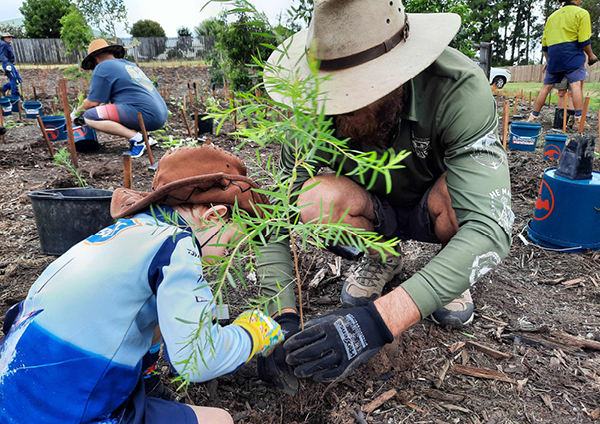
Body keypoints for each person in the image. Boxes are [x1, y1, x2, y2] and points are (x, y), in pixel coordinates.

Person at [255, 0, 513, 388]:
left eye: (359, 93)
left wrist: (377, 322)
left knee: (466, 199)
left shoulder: (456, 89)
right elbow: (272, 219)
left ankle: (451, 272)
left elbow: (492, 225)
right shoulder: (310, 112)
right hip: (372, 211)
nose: (344, 112)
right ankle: (383, 256)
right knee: (313, 197)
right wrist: (281, 321)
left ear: (401, 72)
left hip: (436, 207)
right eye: (334, 95)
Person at [0, 145, 283, 424]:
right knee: (219, 420)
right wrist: (253, 332)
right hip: (67, 411)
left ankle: (144, 382)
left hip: (15, 391)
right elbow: (198, 360)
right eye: (233, 242)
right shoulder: (177, 245)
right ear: (214, 217)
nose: (229, 256)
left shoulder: (128, 230)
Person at [73, 39, 169, 158]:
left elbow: (92, 102)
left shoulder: (102, 66)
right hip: (160, 114)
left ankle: (139, 140)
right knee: (109, 109)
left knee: (90, 116)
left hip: (145, 114)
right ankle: (146, 137)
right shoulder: (128, 65)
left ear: (96, 58)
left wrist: (75, 114)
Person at [527, 0, 598, 127]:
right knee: (576, 85)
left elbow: (545, 44)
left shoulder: (552, 16)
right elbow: (584, 40)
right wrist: (591, 55)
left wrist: (548, 61)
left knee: (546, 87)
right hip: (572, 54)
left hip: (554, 55)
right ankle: (578, 120)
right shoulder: (582, 13)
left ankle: (533, 117)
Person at [0, 33, 23, 98]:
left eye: (11, 37)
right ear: (4, 38)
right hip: (7, 64)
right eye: (8, 37)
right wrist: (7, 64)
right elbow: (2, 55)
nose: (10, 38)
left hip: (10, 64)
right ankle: (15, 97)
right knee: (14, 80)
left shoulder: (7, 45)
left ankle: (4, 88)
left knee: (19, 80)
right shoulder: (3, 44)